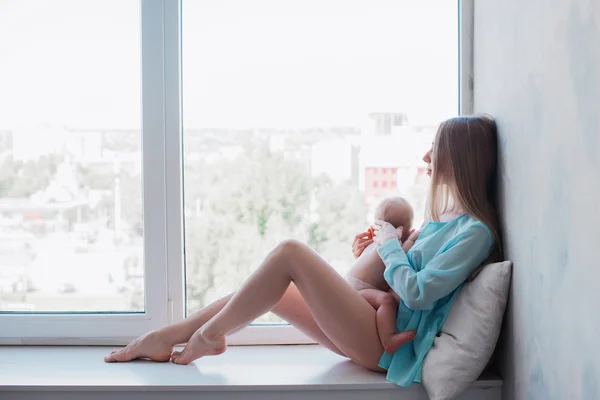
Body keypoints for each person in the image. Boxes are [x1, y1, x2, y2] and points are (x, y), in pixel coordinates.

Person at [105, 114, 502, 388]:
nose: (426, 158)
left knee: (290, 252)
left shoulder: (475, 233)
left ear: (461, 158)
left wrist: (391, 248)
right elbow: (405, 272)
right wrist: (385, 249)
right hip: (375, 324)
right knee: (269, 286)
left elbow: (417, 292)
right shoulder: (446, 217)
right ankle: (165, 336)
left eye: (436, 149)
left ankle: (209, 335)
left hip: (388, 344)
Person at [345, 196, 419, 354]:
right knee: (387, 301)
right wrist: (413, 238)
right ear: (407, 231)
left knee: (384, 299)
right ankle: (388, 339)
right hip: (357, 289)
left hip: (348, 286)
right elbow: (401, 258)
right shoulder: (392, 244)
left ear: (373, 229)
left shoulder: (371, 243)